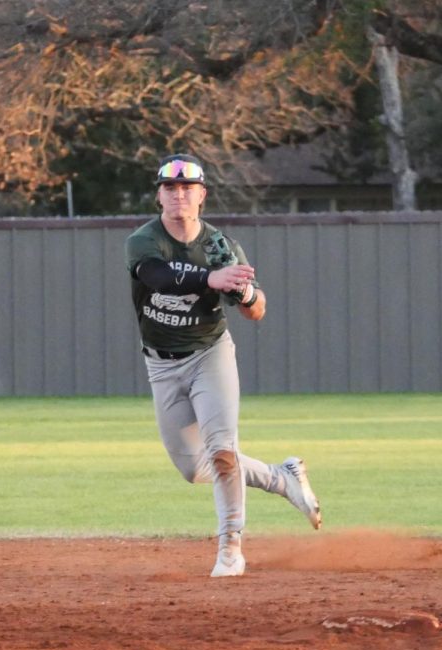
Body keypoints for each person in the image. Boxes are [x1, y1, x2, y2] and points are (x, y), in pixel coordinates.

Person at [125, 153, 321, 578]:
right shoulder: (143, 240)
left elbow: (256, 310)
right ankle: (281, 478)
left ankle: (230, 549)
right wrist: (209, 279)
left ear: (201, 196)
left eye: (187, 188)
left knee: (221, 448)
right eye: (170, 188)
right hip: (161, 365)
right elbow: (157, 278)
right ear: (159, 196)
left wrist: (247, 294)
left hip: (210, 354)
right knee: (195, 468)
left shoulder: (221, 247)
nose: (179, 195)